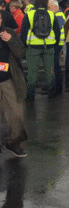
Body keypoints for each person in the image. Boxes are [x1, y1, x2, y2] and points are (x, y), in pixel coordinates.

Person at [19, 0, 61, 99]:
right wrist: (54, 44)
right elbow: (57, 32)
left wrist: (25, 45)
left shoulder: (29, 14)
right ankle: (51, 93)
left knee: (32, 72)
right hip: (49, 47)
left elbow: (23, 33)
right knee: (49, 70)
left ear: (35, 2)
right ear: (47, 3)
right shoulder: (51, 14)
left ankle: (30, 95)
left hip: (33, 48)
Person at [0, 11, 28, 157]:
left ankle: (13, 142)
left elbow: (21, 53)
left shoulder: (8, 32)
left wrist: (10, 40)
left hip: (8, 79)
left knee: (17, 114)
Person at [48, 0, 66, 94]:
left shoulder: (58, 16)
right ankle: (57, 87)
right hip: (58, 43)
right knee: (55, 65)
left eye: (49, 7)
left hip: (57, 43)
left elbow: (56, 29)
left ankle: (57, 88)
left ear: (55, 7)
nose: (48, 9)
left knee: (55, 66)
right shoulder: (58, 15)